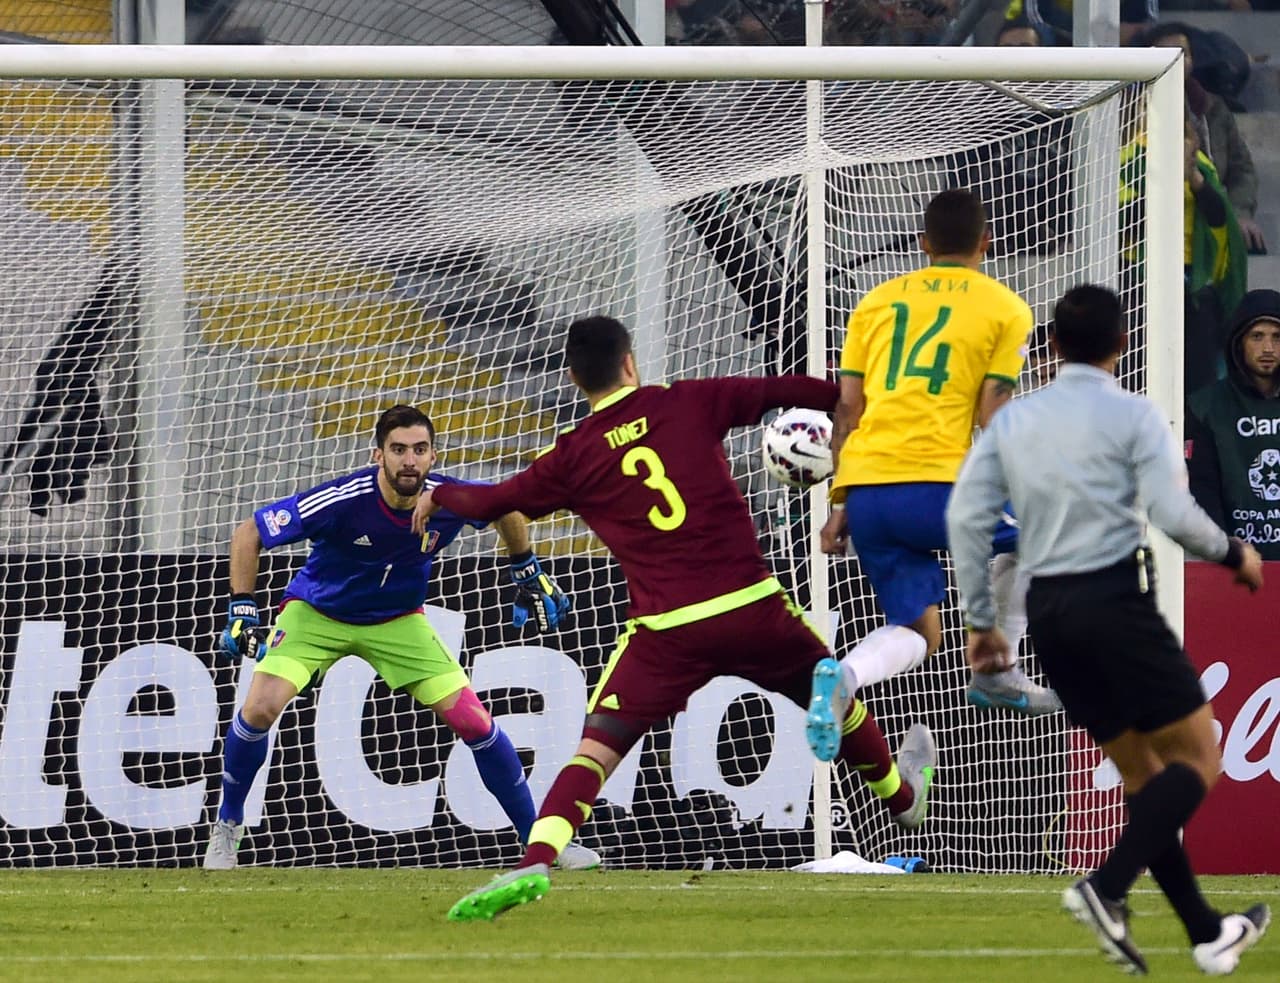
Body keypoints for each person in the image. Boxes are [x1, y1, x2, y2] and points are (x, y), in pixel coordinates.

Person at [415, 316, 938, 921]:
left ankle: (536, 858)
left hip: (666, 631)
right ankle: (903, 800)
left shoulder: (572, 456)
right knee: (835, 693)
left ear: (575, 379)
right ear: (631, 362)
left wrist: (439, 494)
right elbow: (785, 391)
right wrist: (850, 407)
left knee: (596, 750)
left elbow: (492, 501)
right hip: (751, 606)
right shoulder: (688, 400)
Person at [947, 284, 1269, 976]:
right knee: (1198, 759)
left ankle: (1208, 932)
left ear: (1053, 347)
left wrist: (981, 622)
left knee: (1142, 776)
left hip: (1052, 617)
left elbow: (967, 518)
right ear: (1124, 343)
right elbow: (1172, 512)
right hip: (1116, 602)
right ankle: (1107, 884)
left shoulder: (1014, 420)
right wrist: (1233, 552)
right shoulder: (1133, 413)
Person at [204, 404, 599, 872]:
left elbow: (504, 507)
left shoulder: (449, 498)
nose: (409, 460)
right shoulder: (342, 499)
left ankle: (540, 842)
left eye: (419, 450)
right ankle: (228, 826)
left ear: (433, 456)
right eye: (398, 450)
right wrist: (242, 607)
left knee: (475, 723)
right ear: (379, 455)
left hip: (397, 622)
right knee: (260, 707)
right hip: (318, 614)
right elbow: (249, 531)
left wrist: (525, 568)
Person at [807, 187, 1060, 764]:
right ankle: (1000, 671)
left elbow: (848, 410)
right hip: (940, 486)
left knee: (919, 631)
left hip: (870, 492)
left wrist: (840, 503)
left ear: (923, 245)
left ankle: (844, 677)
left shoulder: (874, 302)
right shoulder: (1005, 308)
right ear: (985, 244)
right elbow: (992, 416)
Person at [1142, 22, 1265, 255]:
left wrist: (1240, 213)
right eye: (1164, 54)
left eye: (1182, 54)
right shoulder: (1133, 111)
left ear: (1192, 60)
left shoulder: (1215, 107)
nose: (1175, 62)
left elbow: (1242, 170)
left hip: (1212, 211)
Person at [1188, 288, 1280, 558]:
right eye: (1257, 336)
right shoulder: (1206, 406)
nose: (1267, 348)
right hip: (1236, 566)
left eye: (1277, 337)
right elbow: (1202, 487)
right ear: (1239, 342)